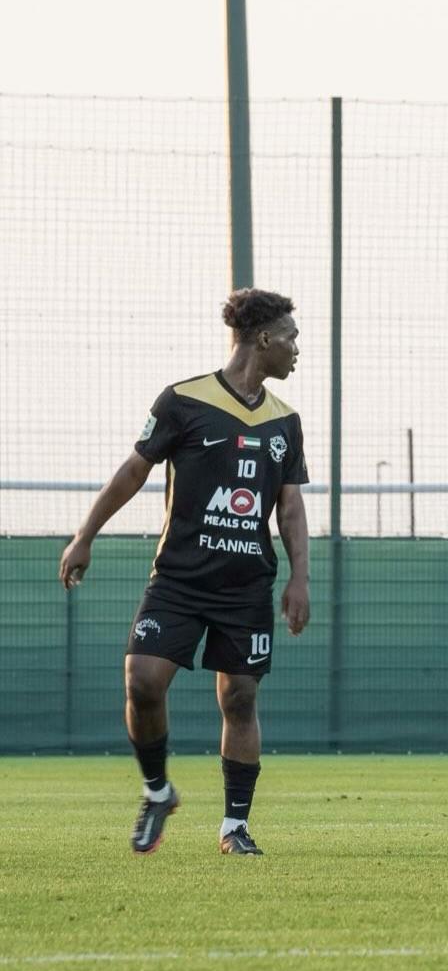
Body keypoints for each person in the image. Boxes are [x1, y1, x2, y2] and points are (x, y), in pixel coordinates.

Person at [59, 288, 310, 856]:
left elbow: (290, 507)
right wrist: (85, 535)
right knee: (142, 681)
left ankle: (234, 827)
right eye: (291, 338)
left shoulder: (285, 422)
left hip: (247, 586)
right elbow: (133, 471)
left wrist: (300, 578)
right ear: (263, 339)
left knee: (239, 698)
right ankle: (157, 791)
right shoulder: (183, 400)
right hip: (178, 580)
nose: (297, 349)